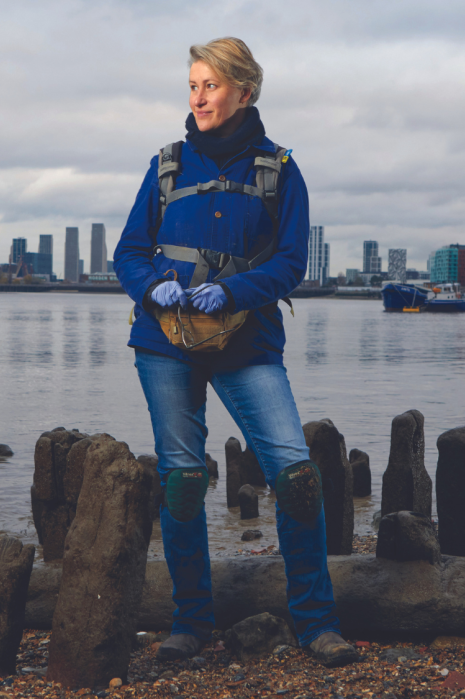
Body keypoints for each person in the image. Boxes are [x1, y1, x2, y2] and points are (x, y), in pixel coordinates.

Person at [113, 37, 359, 668]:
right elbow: (129, 253)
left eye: (211, 86)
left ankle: (316, 623)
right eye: (192, 85)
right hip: (163, 343)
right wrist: (152, 288)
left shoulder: (280, 170)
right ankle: (189, 623)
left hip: (248, 342)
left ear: (244, 91)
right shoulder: (166, 165)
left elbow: (290, 263)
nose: (198, 97)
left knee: (296, 474)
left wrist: (231, 290)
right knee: (183, 480)